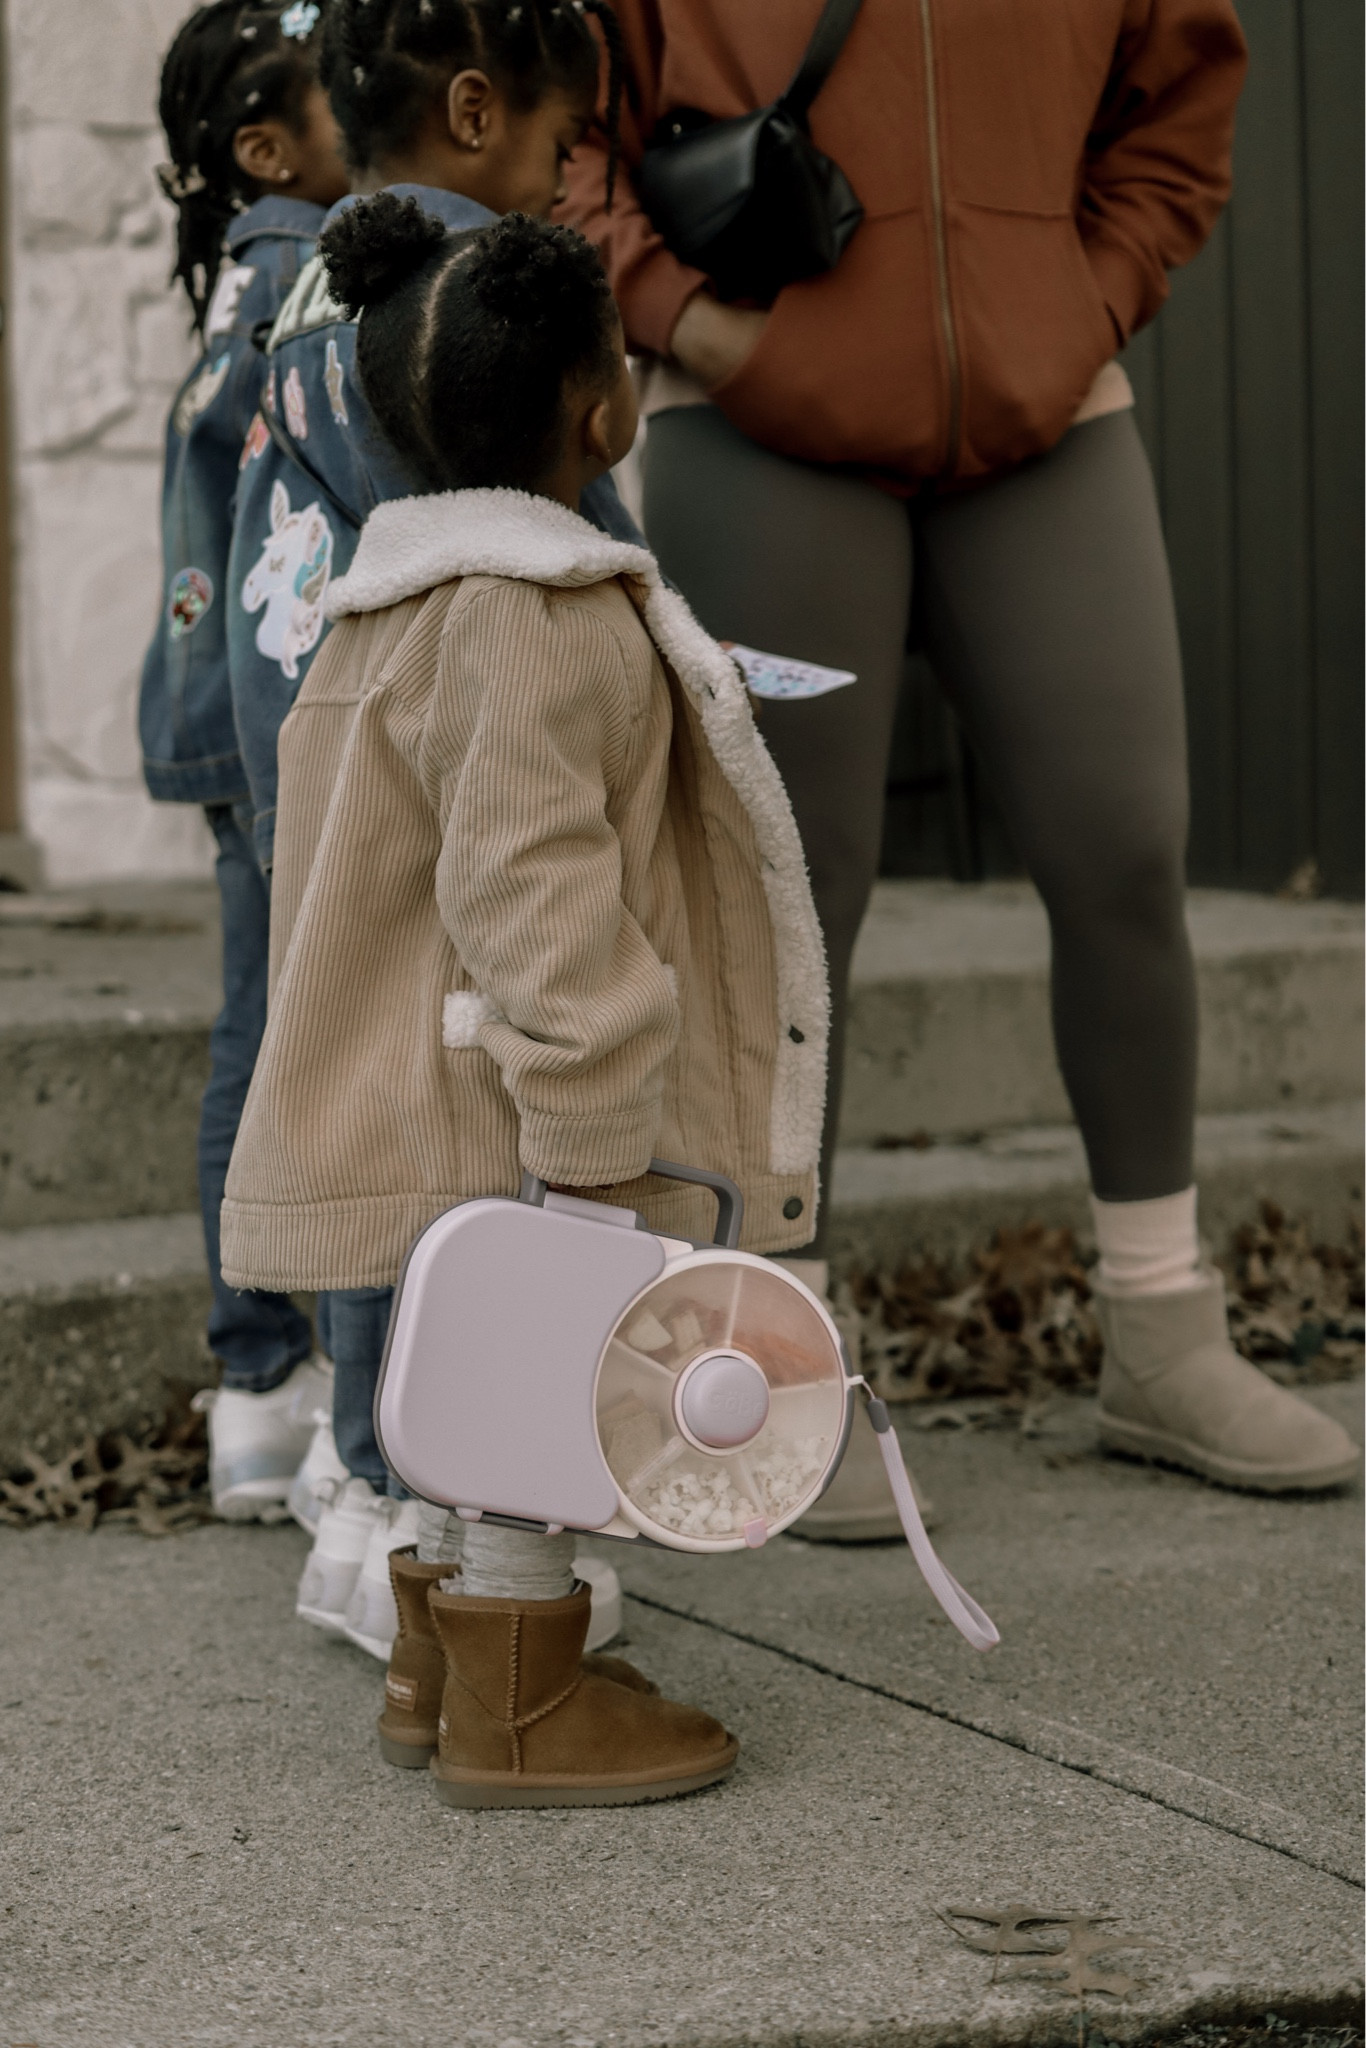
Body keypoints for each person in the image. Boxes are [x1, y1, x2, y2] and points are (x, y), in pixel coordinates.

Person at [563, 0, 1360, 1504]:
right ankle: (766, 1352)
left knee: (1124, 845)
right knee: (784, 898)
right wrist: (698, 323)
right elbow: (567, 139)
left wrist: (1083, 305)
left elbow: (1176, 109)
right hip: (760, 426)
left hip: (1048, 415)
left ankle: (1161, 1328)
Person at [220, 201, 828, 1804]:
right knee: (530, 1393)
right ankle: (520, 1696)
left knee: (451, 1384)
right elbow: (533, 886)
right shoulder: (524, 618)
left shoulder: (393, 601)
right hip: (514, 1093)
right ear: (603, 407)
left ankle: (440, 1662)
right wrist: (587, 1114)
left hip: (423, 1071)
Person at [223, 0, 655, 1653]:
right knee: (460, 1136)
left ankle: (357, 1492)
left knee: (359, 1107)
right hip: (449, 744)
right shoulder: (476, 286)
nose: (562, 185)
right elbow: (556, 521)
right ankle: (436, 1526)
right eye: (559, 146)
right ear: (478, 112)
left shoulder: (320, 274)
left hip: (314, 731)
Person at [138, 0, 349, 1527]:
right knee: (303, 1034)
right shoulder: (306, 273)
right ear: (265, 148)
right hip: (277, 718)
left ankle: (258, 1395)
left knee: (253, 1030)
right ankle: (285, 1366)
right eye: (343, 91)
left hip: (223, 710)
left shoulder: (246, 276)